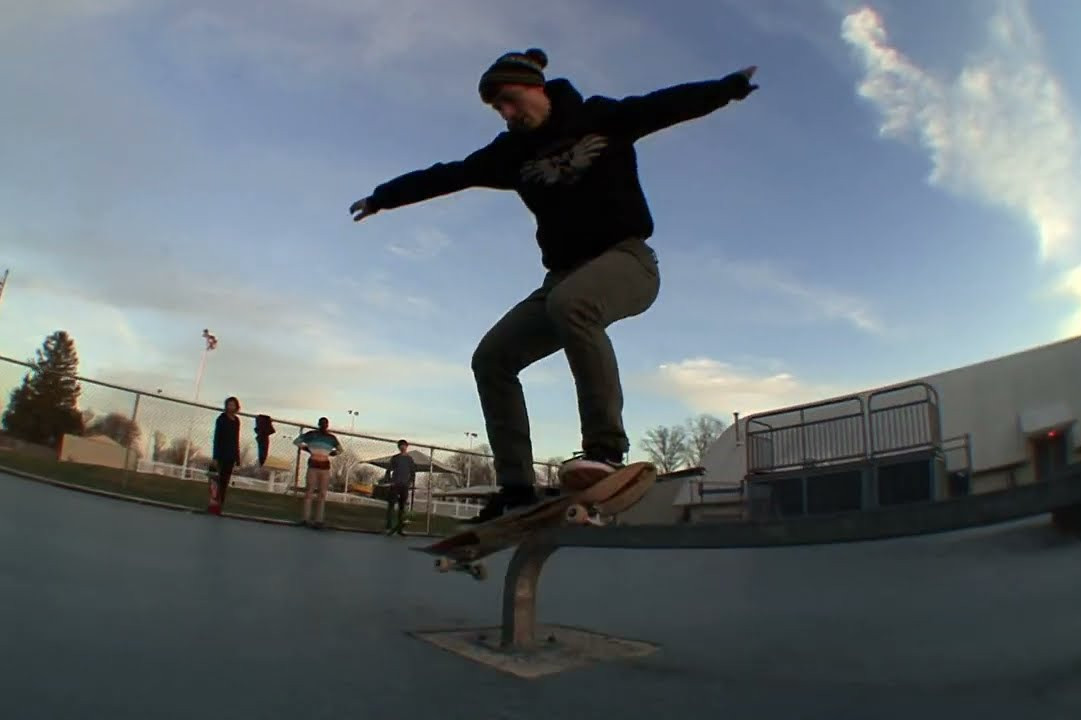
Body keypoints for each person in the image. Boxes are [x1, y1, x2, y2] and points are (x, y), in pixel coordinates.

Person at [348, 48, 759, 523]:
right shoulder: (509, 155)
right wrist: (384, 197)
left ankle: (605, 450)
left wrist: (728, 88)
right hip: (561, 279)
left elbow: (667, 104)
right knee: (493, 358)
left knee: (572, 304)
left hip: (628, 262)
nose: (505, 113)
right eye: (496, 108)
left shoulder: (601, 117)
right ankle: (517, 486)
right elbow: (450, 174)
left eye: (508, 100)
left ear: (535, 86)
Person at [294, 417, 343, 528]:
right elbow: (297, 442)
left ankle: (318, 520)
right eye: (322, 424)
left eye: (325, 424)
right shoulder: (312, 434)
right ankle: (305, 519)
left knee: (322, 493)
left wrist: (331, 453)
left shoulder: (331, 438)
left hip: (324, 467)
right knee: (309, 491)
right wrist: (307, 448)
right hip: (313, 465)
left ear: (327, 425)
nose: (324, 426)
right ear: (319, 424)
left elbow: (340, 450)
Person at [209, 396, 241, 515]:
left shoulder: (237, 421)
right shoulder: (221, 419)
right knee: (217, 481)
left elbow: (236, 439)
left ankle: (220, 505)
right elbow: (217, 438)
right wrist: (215, 457)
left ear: (236, 407)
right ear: (226, 406)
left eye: (233, 405)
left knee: (225, 482)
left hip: (231, 455)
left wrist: (237, 458)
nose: (231, 407)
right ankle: (214, 504)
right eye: (229, 404)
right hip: (221, 454)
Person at [382, 439, 415, 534]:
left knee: (402, 507)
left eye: (404, 446)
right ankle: (388, 526)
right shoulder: (395, 458)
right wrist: (389, 481)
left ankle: (400, 528)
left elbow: (412, 473)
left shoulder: (409, 459)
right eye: (401, 446)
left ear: (406, 447)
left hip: (404, 486)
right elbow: (388, 470)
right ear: (399, 447)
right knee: (391, 505)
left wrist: (409, 483)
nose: (402, 448)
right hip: (395, 484)